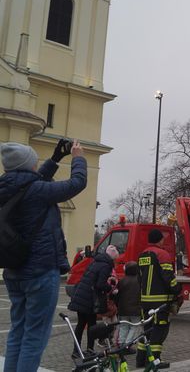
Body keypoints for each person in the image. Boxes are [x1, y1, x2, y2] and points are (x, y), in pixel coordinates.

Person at [1, 139, 86, 371]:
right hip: (40, 271)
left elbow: (32, 182)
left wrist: (56, 159)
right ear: (27, 165)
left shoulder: (7, 188)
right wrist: (78, 158)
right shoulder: (37, 190)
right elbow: (77, 183)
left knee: (18, 331)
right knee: (35, 336)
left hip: (14, 271)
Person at [136, 229, 181, 369]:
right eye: (162, 239)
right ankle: (154, 360)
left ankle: (140, 359)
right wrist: (177, 290)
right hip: (160, 302)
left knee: (147, 329)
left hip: (145, 301)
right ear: (159, 240)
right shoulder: (162, 254)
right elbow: (168, 276)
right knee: (160, 329)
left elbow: (139, 278)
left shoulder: (142, 255)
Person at [67, 244, 119, 357]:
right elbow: (100, 284)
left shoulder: (95, 262)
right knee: (92, 325)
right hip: (89, 299)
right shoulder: (106, 266)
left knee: (81, 325)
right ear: (112, 258)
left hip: (81, 295)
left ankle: (76, 350)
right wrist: (110, 288)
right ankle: (89, 349)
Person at [117, 261, 141, 348]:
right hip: (136, 308)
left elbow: (118, 294)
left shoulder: (122, 280)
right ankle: (128, 344)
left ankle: (121, 343)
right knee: (135, 326)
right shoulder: (139, 280)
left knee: (123, 326)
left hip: (123, 308)